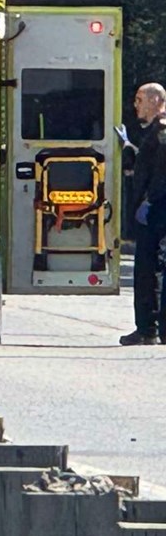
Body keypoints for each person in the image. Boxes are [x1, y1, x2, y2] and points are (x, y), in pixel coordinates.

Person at [123, 83, 166, 344]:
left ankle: (148, 329)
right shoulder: (153, 131)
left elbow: (161, 170)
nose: (136, 105)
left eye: (140, 99)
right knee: (151, 269)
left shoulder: (161, 131)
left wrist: (149, 201)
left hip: (157, 211)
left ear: (154, 100)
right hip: (156, 208)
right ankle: (151, 328)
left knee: (149, 270)